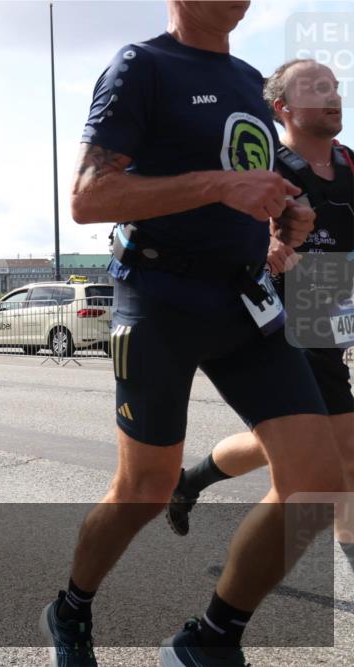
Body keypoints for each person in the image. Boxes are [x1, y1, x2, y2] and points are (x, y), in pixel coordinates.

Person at [38, 4, 344, 667]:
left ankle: (210, 637)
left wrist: (283, 224)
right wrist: (221, 186)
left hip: (243, 301)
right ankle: (71, 605)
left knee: (318, 479)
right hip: (159, 296)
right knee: (145, 488)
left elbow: (249, 195)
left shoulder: (247, 80)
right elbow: (89, 197)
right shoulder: (142, 66)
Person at [167, 60, 354, 569]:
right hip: (283, 316)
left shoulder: (349, 163)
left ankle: (190, 481)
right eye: (315, 88)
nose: (331, 95)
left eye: (334, 86)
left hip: (334, 308)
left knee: (284, 440)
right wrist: (268, 237)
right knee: (343, 455)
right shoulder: (263, 168)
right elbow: (226, 230)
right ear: (282, 109)